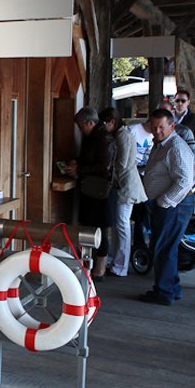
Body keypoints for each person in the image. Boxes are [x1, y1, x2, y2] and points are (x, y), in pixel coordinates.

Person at [140, 108, 195, 305]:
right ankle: (171, 288)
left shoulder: (175, 147)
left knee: (163, 248)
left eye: (162, 127)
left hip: (173, 205)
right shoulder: (162, 144)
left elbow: (184, 181)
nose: (157, 131)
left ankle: (164, 293)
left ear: (172, 126)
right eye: (154, 128)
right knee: (166, 248)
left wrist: (163, 202)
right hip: (166, 204)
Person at [66, 107, 117, 280]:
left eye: (81, 126)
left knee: (99, 230)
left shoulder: (103, 139)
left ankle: (100, 269)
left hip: (100, 192)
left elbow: (103, 166)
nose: (81, 130)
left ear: (90, 122)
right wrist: (77, 163)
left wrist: (79, 169)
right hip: (93, 190)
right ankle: (91, 265)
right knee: (91, 228)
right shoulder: (95, 137)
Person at [101, 107, 147, 278]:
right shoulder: (122, 134)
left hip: (126, 185)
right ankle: (118, 263)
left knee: (122, 225)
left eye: (105, 123)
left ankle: (120, 266)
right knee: (120, 224)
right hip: (123, 185)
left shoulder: (123, 136)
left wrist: (109, 169)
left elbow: (123, 163)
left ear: (112, 122)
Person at [172, 89, 195, 158]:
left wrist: (189, 141)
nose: (180, 103)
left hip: (186, 155)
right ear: (174, 101)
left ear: (188, 102)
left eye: (183, 101)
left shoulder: (194, 119)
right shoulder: (168, 117)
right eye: (177, 101)